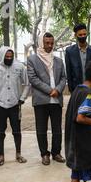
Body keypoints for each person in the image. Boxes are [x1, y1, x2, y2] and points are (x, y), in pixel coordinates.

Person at [27, 32, 67, 166]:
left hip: (56, 100)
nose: (49, 46)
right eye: (47, 43)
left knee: (57, 128)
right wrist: (51, 90)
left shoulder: (59, 61)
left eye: (51, 43)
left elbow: (63, 78)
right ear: (40, 43)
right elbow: (33, 79)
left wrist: (58, 89)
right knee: (41, 128)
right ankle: (44, 154)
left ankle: (56, 153)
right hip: (41, 100)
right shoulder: (32, 59)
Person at [0, 47, 30, 166]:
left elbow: (27, 84)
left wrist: (22, 98)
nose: (9, 58)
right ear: (2, 56)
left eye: (11, 56)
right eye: (7, 56)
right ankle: (1, 157)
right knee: (0, 132)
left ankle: (18, 154)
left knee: (17, 131)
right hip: (0, 104)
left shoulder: (20, 67)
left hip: (15, 104)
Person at [65, 23, 91, 94]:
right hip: (76, 89)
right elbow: (69, 71)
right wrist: (71, 90)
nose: (83, 36)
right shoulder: (69, 51)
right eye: (80, 35)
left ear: (87, 34)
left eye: (84, 34)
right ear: (75, 35)